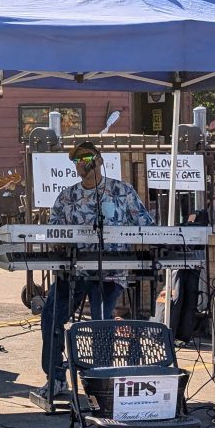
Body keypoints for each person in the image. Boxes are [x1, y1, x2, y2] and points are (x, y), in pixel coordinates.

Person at [37, 141, 154, 401]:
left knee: (101, 321)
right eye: (77, 160)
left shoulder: (120, 191)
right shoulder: (67, 196)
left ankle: (101, 380)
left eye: (86, 158)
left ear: (99, 161)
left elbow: (146, 224)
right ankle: (55, 379)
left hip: (111, 271)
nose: (81, 164)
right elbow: (53, 231)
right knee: (51, 316)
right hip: (75, 271)